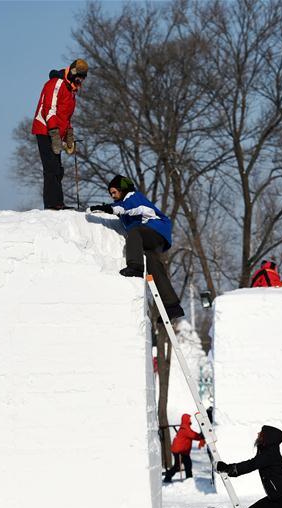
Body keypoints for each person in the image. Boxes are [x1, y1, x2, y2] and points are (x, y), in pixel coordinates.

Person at [90, 175, 185, 320]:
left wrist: (108, 208)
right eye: (111, 194)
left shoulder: (133, 197)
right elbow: (123, 212)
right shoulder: (123, 205)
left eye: (114, 192)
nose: (113, 196)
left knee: (135, 232)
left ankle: (135, 266)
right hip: (152, 240)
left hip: (156, 229)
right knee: (153, 265)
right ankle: (172, 305)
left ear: (123, 189)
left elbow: (131, 208)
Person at [31, 59, 88, 210]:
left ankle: (58, 202)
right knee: (51, 168)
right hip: (45, 130)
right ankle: (51, 204)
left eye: (83, 77)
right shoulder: (56, 83)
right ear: (73, 72)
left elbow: (65, 116)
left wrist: (69, 133)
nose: (80, 80)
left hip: (56, 133)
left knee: (58, 169)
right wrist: (54, 132)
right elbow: (49, 108)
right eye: (79, 76)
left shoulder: (72, 91)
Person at [163, 414, 205, 483]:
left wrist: (200, 436)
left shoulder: (186, 428)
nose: (190, 420)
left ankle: (189, 478)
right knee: (178, 465)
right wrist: (201, 436)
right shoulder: (185, 429)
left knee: (188, 464)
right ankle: (168, 477)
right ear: (186, 420)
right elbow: (193, 435)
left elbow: (193, 434)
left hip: (183, 451)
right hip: (179, 450)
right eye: (189, 419)